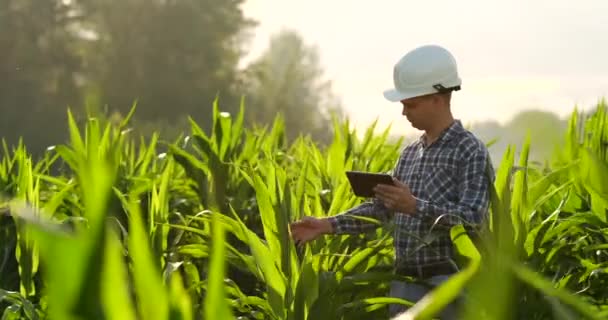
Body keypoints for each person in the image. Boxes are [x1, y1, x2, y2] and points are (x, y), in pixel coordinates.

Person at [289, 44, 495, 319]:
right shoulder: (409, 153)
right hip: (403, 285)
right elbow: (380, 209)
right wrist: (325, 225)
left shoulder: (469, 150)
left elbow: (472, 219)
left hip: (449, 285)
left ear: (437, 97)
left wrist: (414, 206)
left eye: (410, 104)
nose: (403, 112)